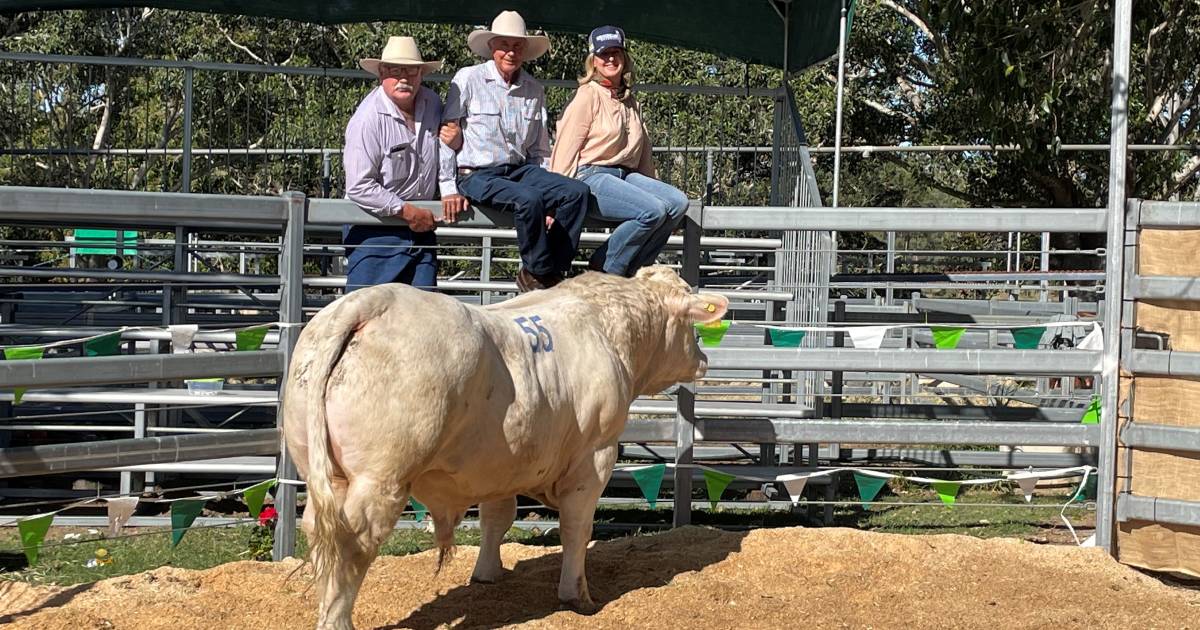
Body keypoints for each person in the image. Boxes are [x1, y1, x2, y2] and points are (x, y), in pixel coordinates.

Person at [438, 10, 591, 292]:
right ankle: (543, 275)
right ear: (491, 47)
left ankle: (545, 273)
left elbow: (539, 149)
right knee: (529, 199)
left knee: (576, 193)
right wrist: (448, 187)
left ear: (525, 51)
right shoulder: (468, 79)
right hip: (477, 174)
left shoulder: (534, 88)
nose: (511, 52)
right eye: (505, 45)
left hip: (520, 170)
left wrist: (551, 199)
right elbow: (447, 134)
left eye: (517, 46)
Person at [549, 26, 689, 277]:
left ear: (625, 58)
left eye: (616, 53)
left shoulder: (631, 101)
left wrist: (652, 186)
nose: (611, 59)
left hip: (626, 175)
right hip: (591, 176)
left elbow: (643, 152)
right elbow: (565, 147)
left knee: (677, 204)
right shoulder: (587, 95)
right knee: (652, 211)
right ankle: (606, 268)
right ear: (593, 61)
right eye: (604, 54)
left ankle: (634, 271)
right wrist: (554, 202)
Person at [342, 36, 465, 292]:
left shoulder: (432, 103)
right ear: (381, 74)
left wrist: (457, 142)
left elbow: (444, 150)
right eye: (395, 70)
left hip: (421, 227)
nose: (404, 77)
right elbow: (358, 186)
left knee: (424, 316)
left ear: (421, 73)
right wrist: (407, 212)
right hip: (375, 229)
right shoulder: (367, 120)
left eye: (411, 70)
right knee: (370, 316)